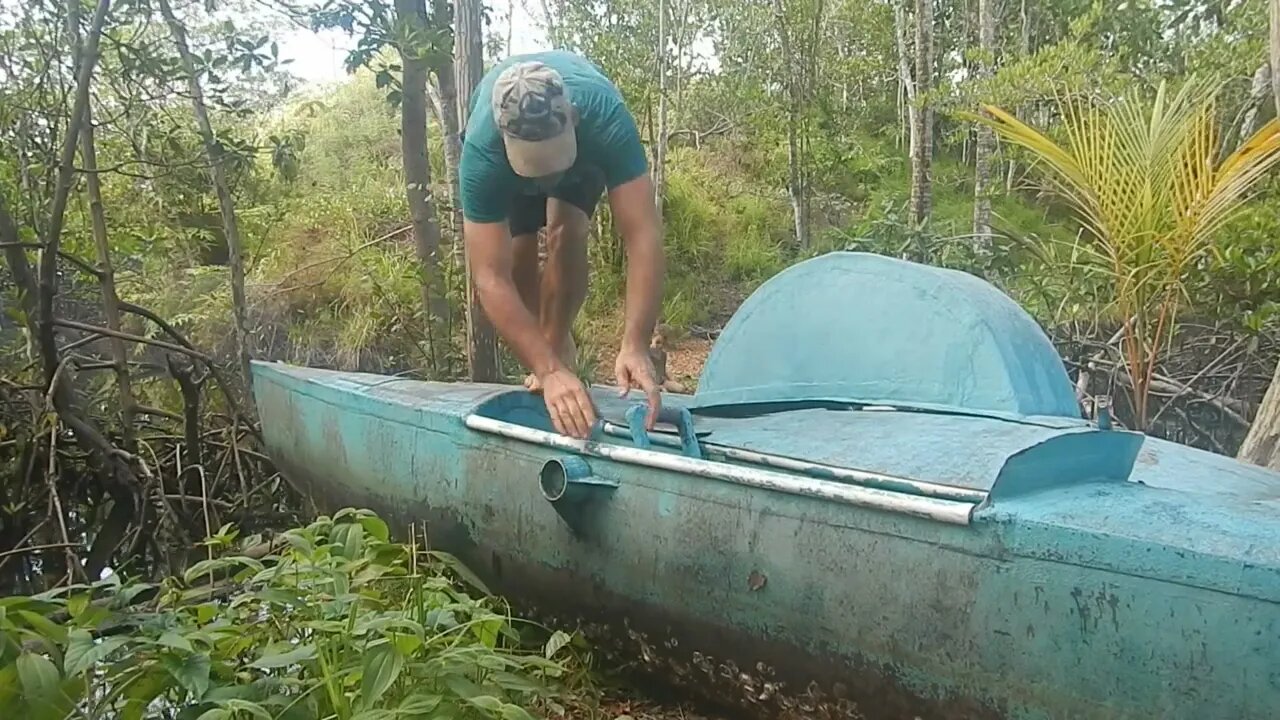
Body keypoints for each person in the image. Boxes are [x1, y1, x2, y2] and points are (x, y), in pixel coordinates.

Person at [459, 50, 666, 440]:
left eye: (552, 161)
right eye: (538, 165)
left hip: (582, 158)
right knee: (518, 257)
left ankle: (557, 344)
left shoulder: (604, 116)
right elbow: (490, 276)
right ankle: (552, 363)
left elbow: (643, 235)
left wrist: (635, 343)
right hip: (507, 167)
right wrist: (547, 369)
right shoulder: (482, 151)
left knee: (565, 232)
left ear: (572, 117)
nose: (547, 178)